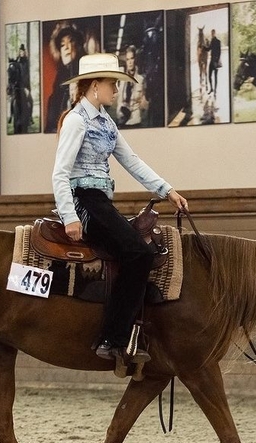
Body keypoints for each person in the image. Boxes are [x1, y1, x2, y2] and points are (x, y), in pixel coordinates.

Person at [52, 53, 188, 364]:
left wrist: (167, 190)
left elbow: (132, 161)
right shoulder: (76, 120)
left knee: (137, 251)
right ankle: (111, 337)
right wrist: (70, 215)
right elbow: (60, 171)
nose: (116, 90)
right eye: (112, 84)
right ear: (95, 85)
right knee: (138, 254)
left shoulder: (107, 123)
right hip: (84, 201)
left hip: (101, 201)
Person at [45, 22, 85, 133]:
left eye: (70, 41)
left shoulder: (86, 76)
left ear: (77, 45)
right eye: (62, 45)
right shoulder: (58, 82)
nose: (66, 47)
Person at [116, 45, 146, 127]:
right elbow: (119, 101)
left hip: (136, 121)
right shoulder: (122, 79)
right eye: (127, 59)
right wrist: (119, 115)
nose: (129, 62)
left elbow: (144, 105)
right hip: (123, 122)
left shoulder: (141, 80)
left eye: (132, 58)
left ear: (135, 59)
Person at [207, 29, 221, 95]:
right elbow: (208, 49)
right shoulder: (212, 41)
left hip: (215, 62)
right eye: (211, 33)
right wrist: (203, 47)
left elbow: (219, 52)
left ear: (215, 33)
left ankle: (215, 90)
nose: (212, 34)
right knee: (209, 76)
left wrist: (217, 61)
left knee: (215, 77)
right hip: (211, 61)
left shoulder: (218, 41)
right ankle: (211, 89)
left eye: (213, 33)